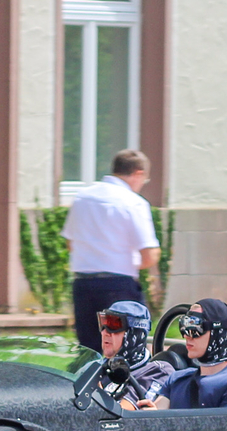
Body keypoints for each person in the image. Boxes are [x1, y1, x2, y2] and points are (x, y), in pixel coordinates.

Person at [62, 149, 160, 353]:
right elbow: (150, 255)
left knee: (89, 352)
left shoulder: (82, 198)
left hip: (83, 284)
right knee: (127, 349)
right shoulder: (132, 202)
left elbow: (70, 243)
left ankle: (91, 385)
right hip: (118, 286)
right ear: (138, 173)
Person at [139, 298, 227, 409]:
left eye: (195, 328)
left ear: (218, 332)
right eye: (184, 327)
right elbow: (157, 416)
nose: (187, 336)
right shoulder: (176, 380)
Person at [96, 298, 176, 408]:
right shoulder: (96, 366)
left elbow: (123, 412)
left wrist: (95, 391)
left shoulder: (156, 371)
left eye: (113, 325)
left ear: (135, 333)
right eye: (103, 323)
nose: (105, 332)